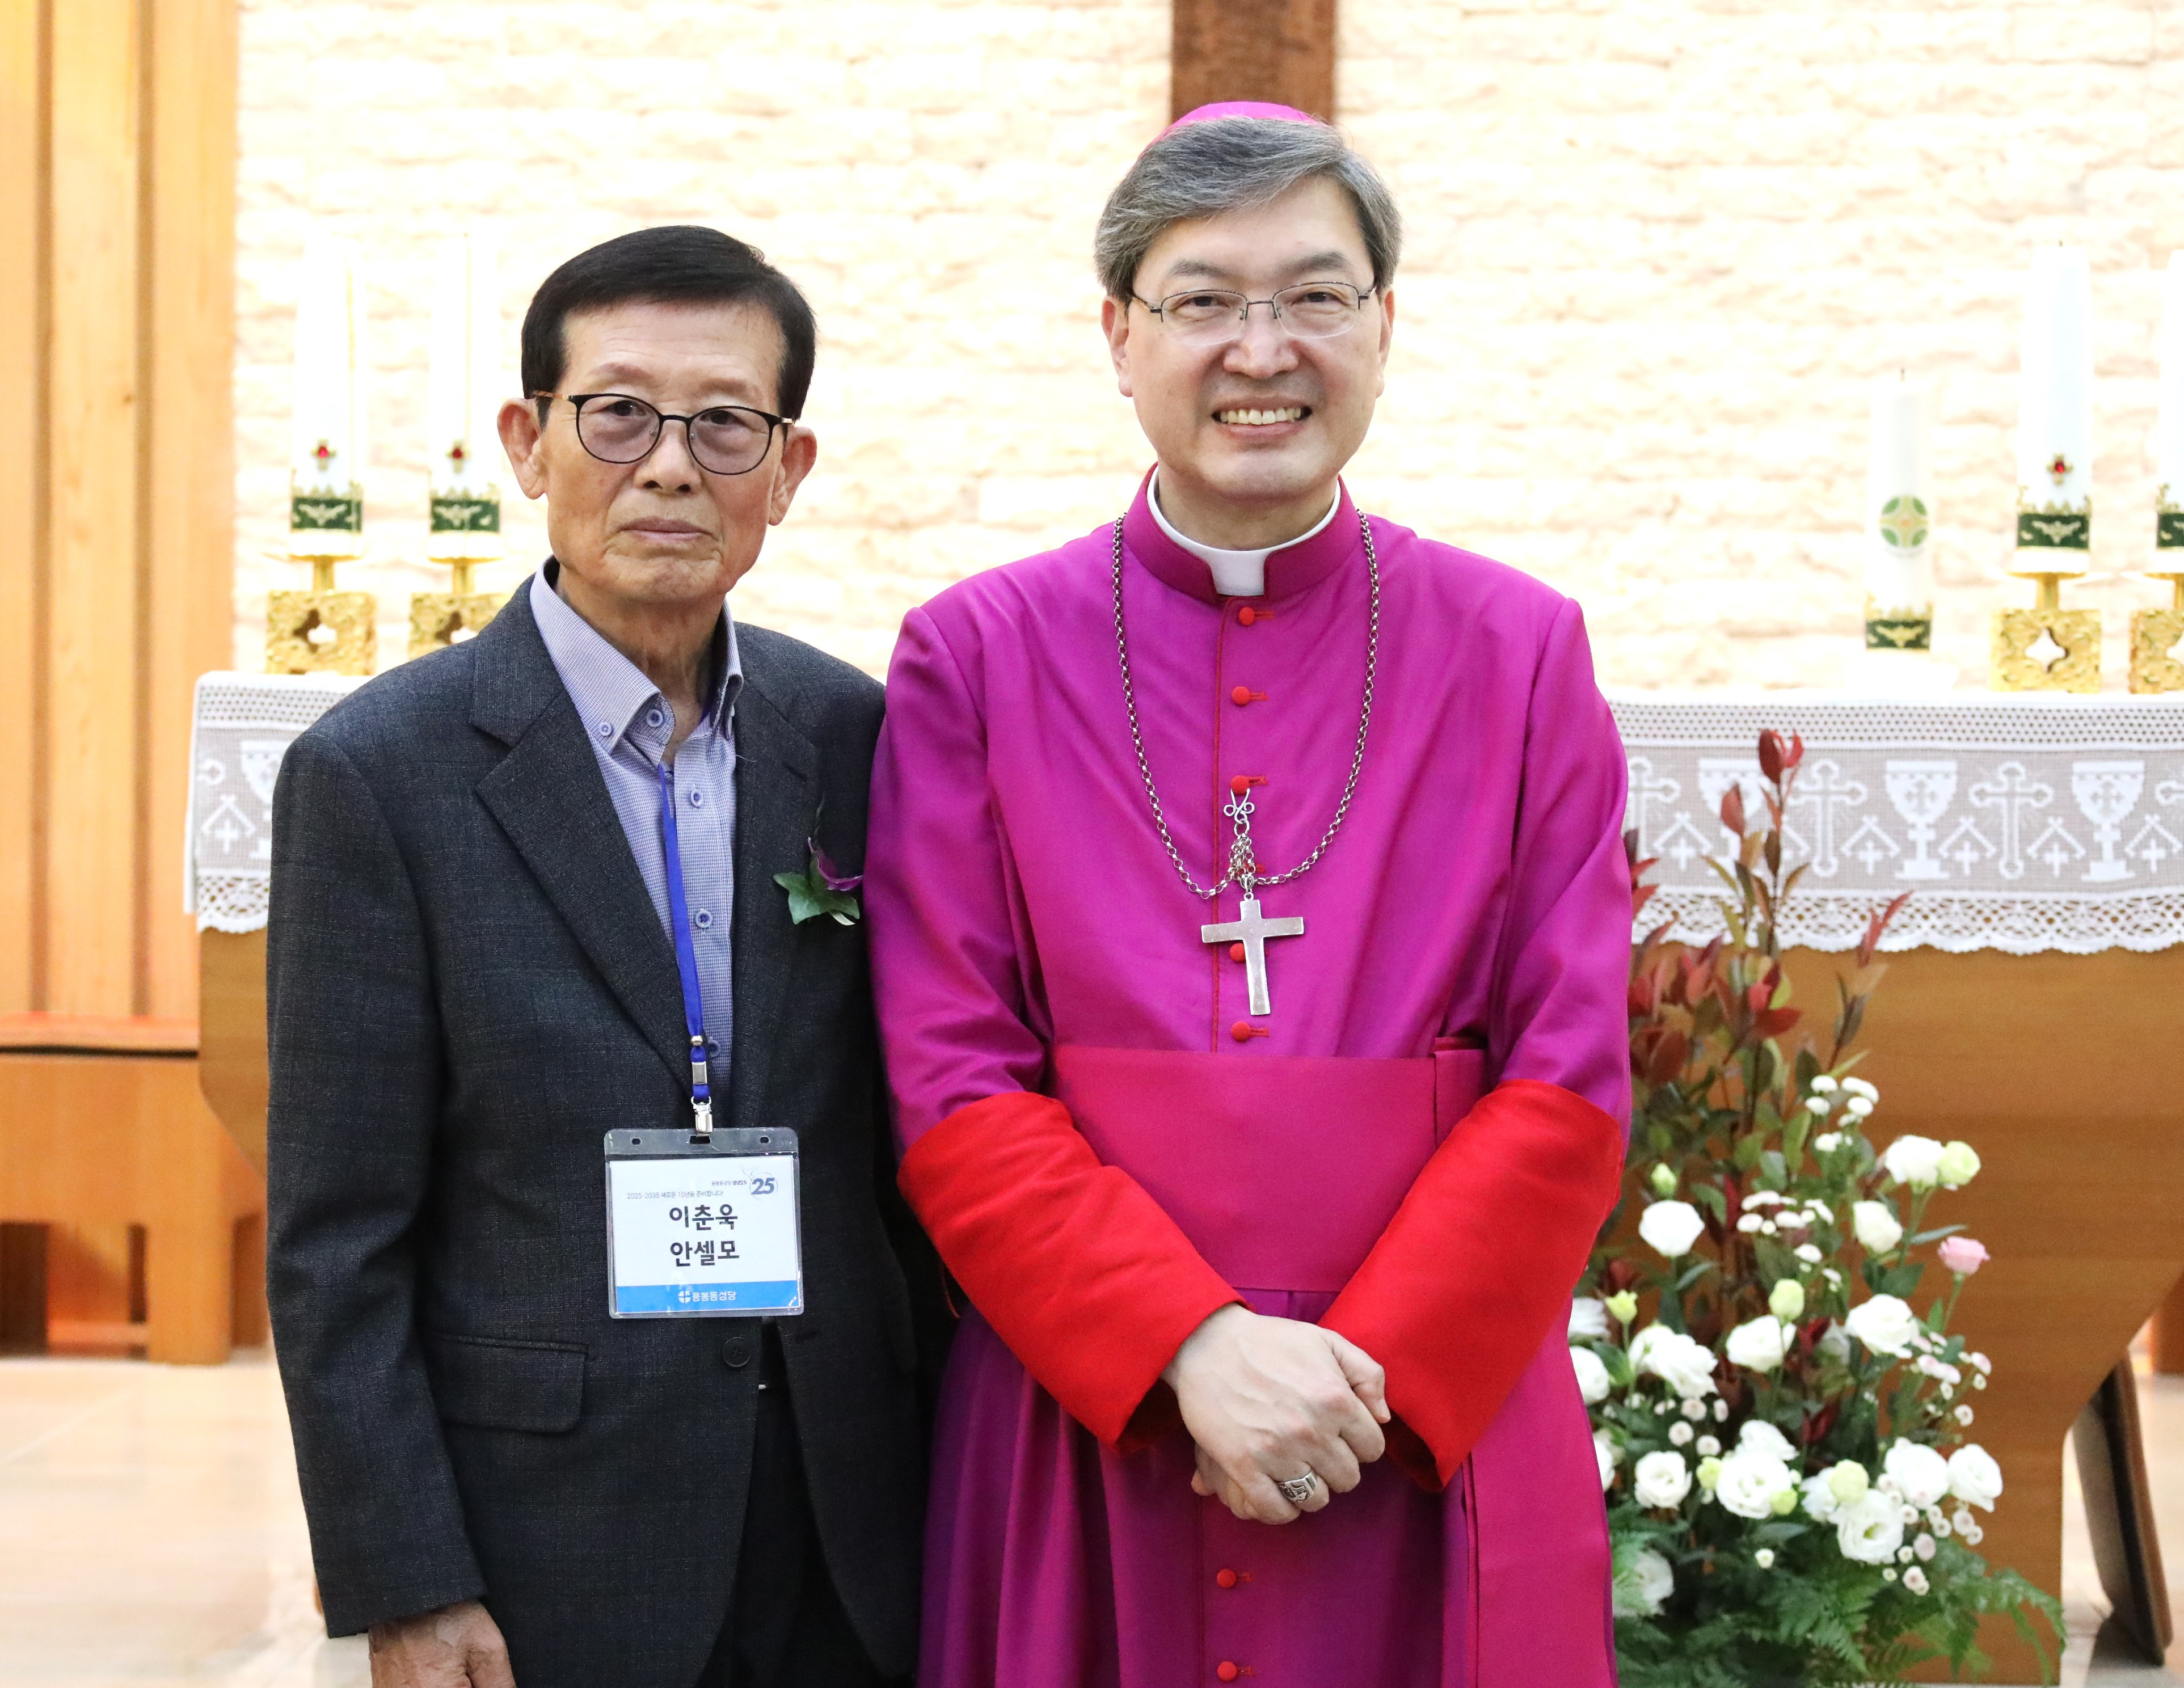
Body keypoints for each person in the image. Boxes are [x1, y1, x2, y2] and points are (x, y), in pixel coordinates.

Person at [866, 106, 1631, 1685]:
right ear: (1118, 335)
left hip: (1420, 1410)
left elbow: (1568, 1080)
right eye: (1204, 300)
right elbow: (951, 1078)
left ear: (1385, 324)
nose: (1260, 351)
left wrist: (1364, 1382)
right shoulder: (977, 657)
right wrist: (1186, 1346)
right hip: (1095, 1401)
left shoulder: (1518, 651)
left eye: (1314, 297)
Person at [267, 226, 934, 1688]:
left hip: (845, 1506)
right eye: (619, 413)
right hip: (549, 1527)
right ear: (528, 443)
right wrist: (407, 1580)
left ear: (788, 469)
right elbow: (336, 1238)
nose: (672, 467)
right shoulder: (382, 773)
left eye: (725, 424)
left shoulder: (859, 737)